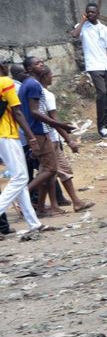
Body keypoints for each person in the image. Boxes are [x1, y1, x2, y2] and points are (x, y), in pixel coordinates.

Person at [15, 60, 72, 217]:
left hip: (36, 131)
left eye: (41, 63)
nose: (41, 64)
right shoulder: (33, 85)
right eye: (37, 63)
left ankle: (41, 207)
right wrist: (58, 124)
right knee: (50, 169)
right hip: (39, 130)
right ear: (29, 68)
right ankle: (22, 194)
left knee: (48, 171)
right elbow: (35, 111)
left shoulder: (27, 84)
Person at [35, 67, 93, 212]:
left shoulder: (38, 94)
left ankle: (47, 206)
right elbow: (54, 120)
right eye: (50, 75)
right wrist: (69, 140)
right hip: (51, 138)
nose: (52, 78)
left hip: (46, 137)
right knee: (57, 171)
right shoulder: (47, 95)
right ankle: (28, 197)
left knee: (50, 173)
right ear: (45, 77)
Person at [0, 63, 42, 234]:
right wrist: (31, 137)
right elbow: (17, 112)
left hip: (3, 137)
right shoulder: (5, 82)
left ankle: (34, 223)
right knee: (20, 177)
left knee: (20, 179)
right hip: (7, 135)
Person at [71, 3, 107, 139]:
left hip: (105, 65)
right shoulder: (82, 27)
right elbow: (75, 35)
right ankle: (101, 127)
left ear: (98, 13)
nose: (90, 14)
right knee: (102, 93)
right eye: (88, 12)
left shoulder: (103, 28)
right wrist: (82, 21)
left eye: (93, 12)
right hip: (93, 66)